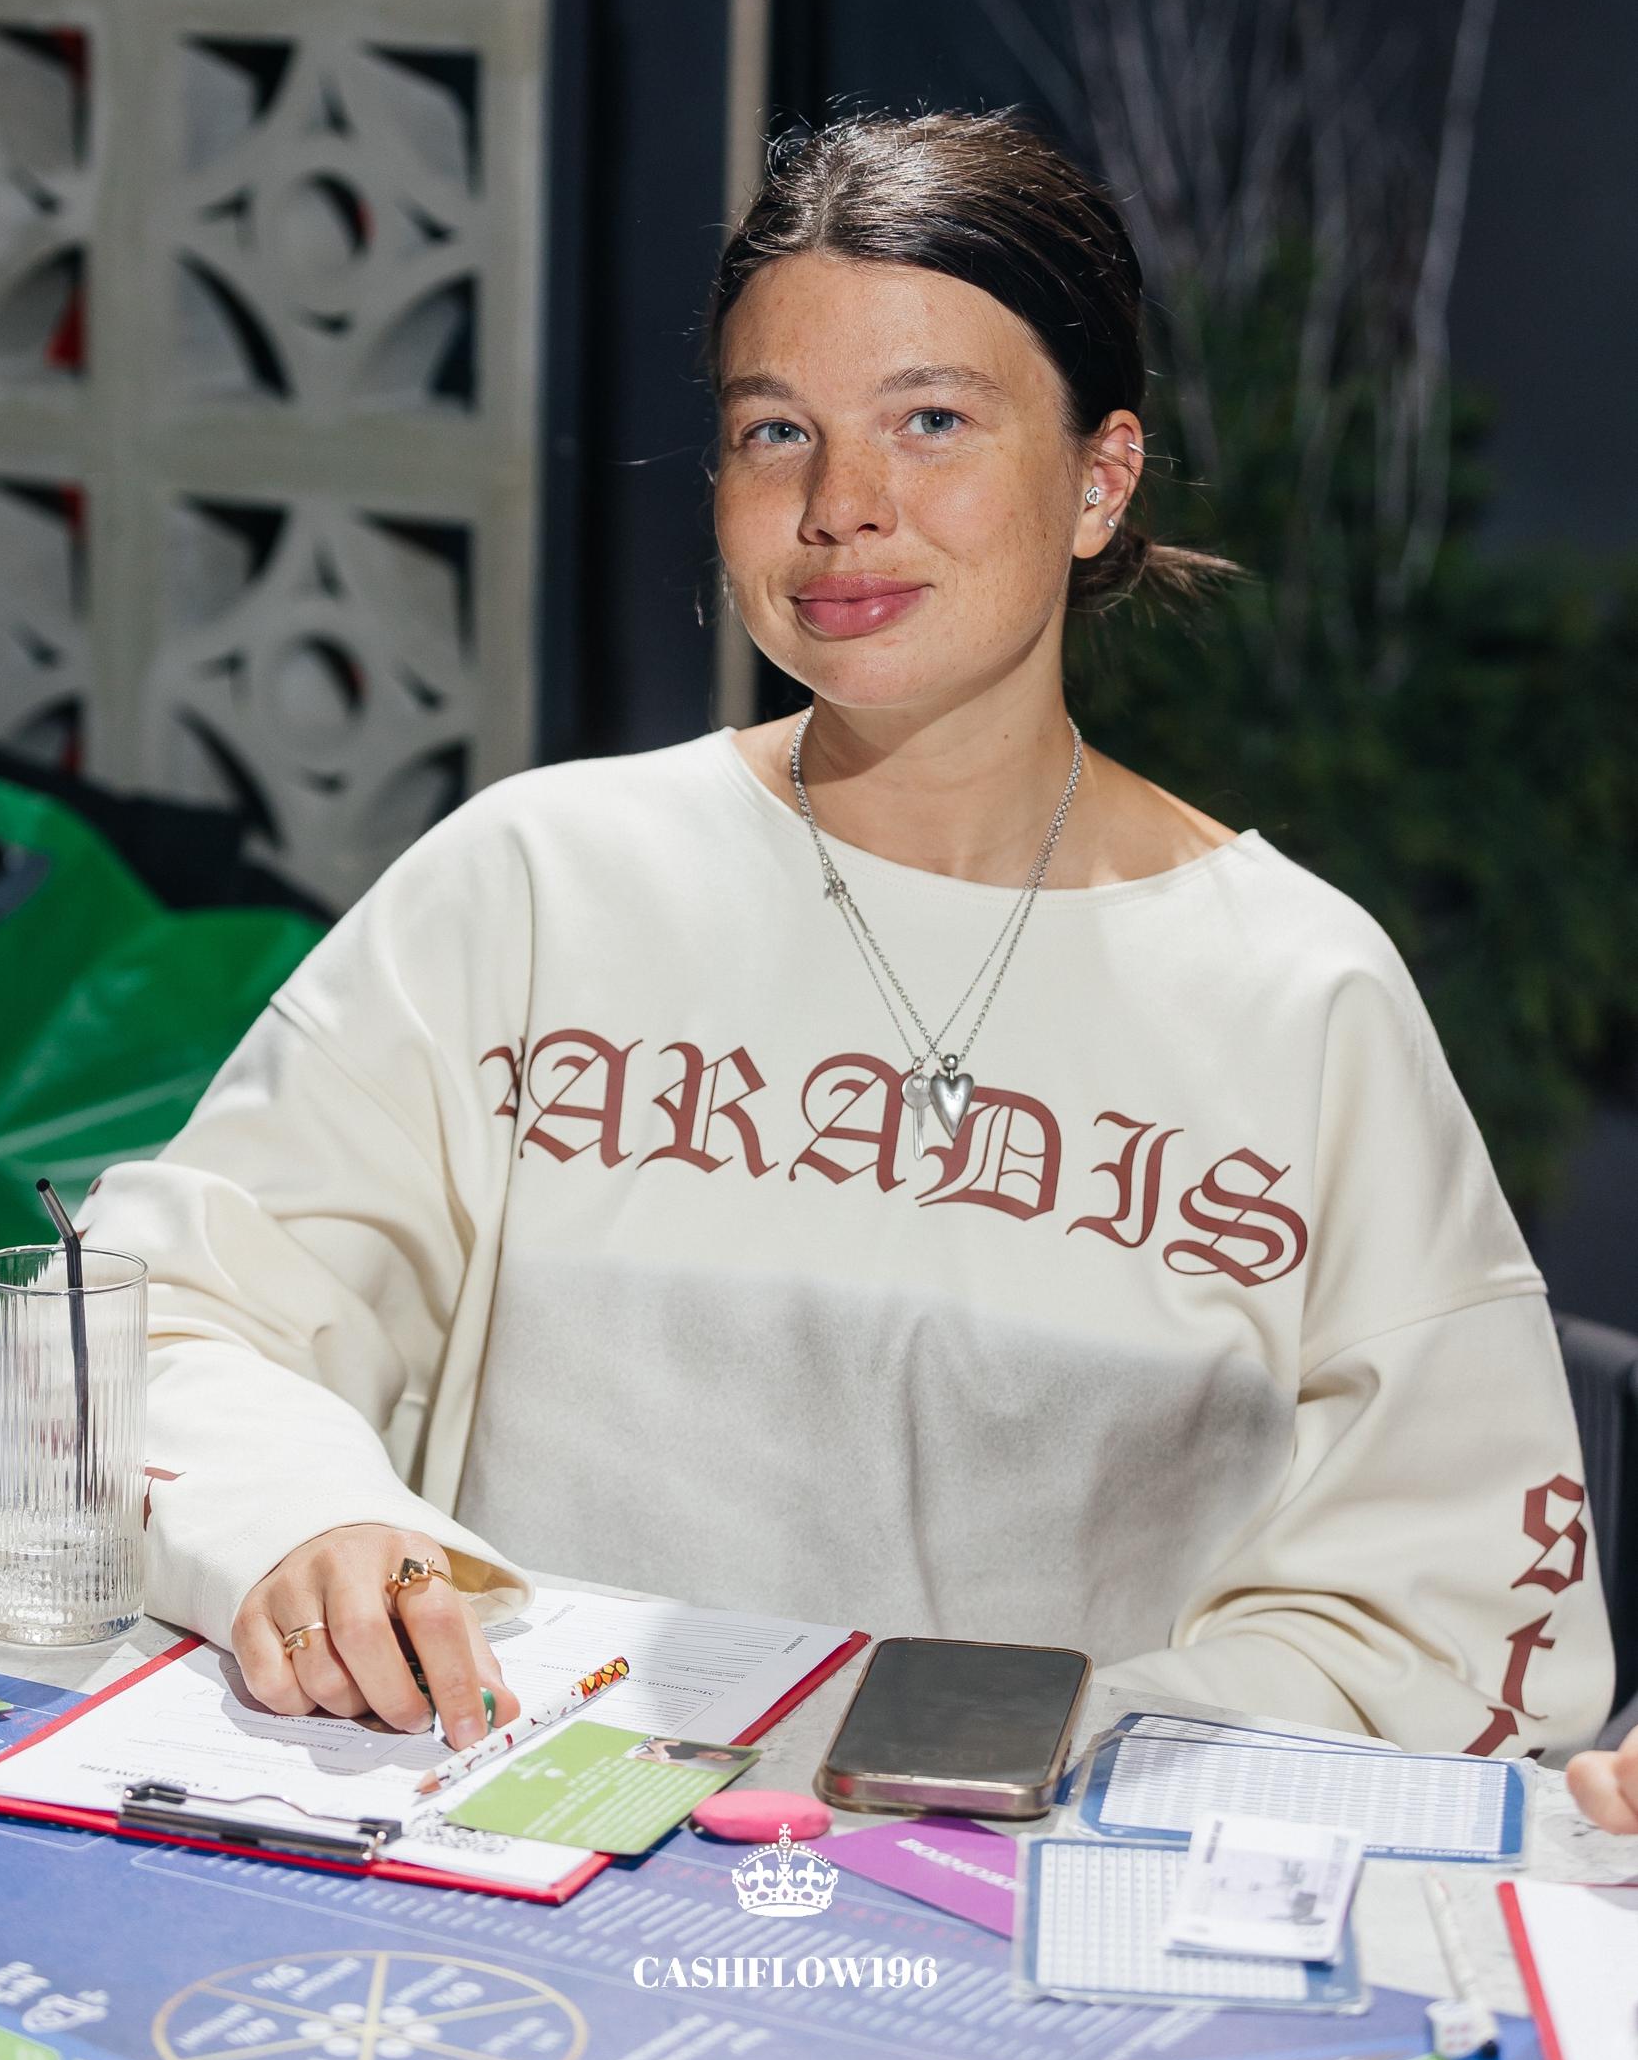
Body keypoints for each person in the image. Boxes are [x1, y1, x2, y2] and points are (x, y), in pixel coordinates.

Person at [85, 111, 1613, 1761]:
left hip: (1014, 1878)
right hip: (521, 1826)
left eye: (932, 421)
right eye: (775, 433)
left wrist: (1033, 1759)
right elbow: (166, 1313)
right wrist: (307, 1525)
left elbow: (1454, 1609)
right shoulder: (536, 884)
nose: (841, 507)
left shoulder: (1301, 997)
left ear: (1100, 480)